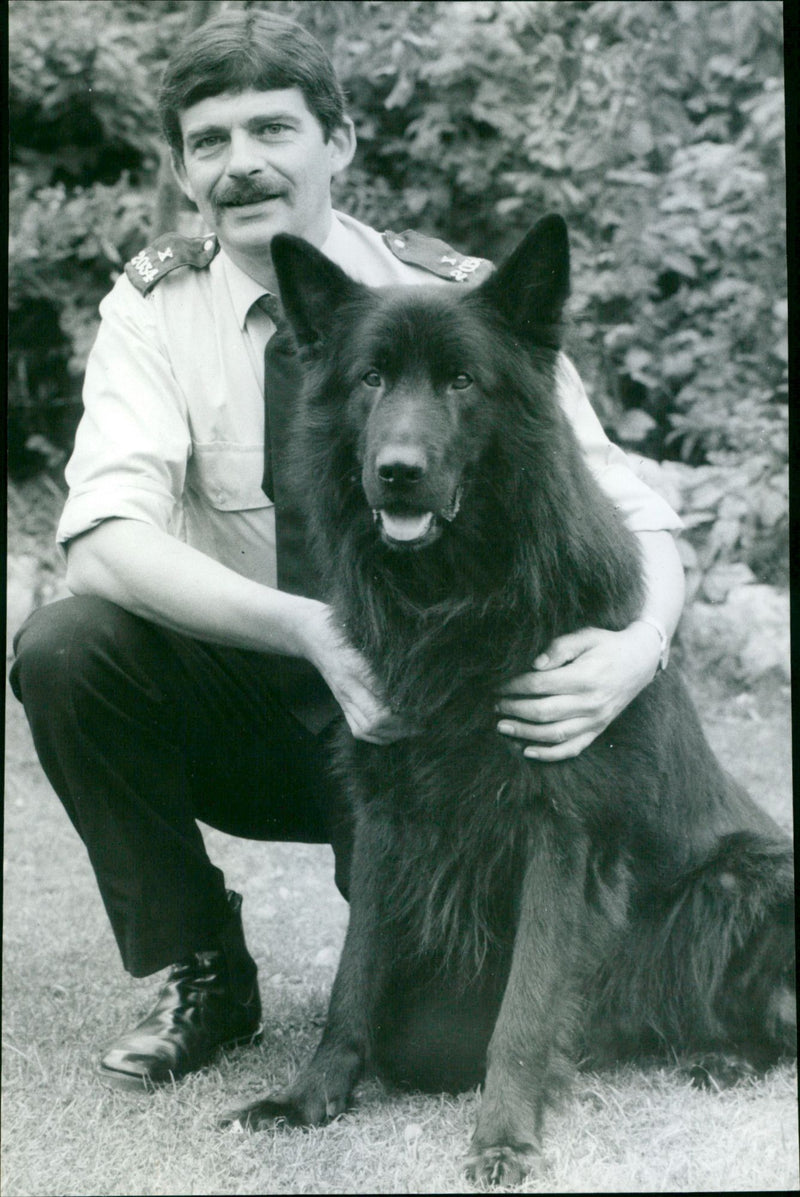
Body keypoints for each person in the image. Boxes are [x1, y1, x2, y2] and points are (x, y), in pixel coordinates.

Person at [10, 9, 685, 1093]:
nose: (240, 164)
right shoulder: (153, 311)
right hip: (257, 704)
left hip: (427, 735)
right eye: (209, 141)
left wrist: (635, 649)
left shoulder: (453, 303)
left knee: (430, 1052)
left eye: (271, 129)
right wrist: (312, 632)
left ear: (340, 141)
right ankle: (202, 968)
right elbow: (100, 539)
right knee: (66, 647)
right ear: (182, 171)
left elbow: (635, 511)